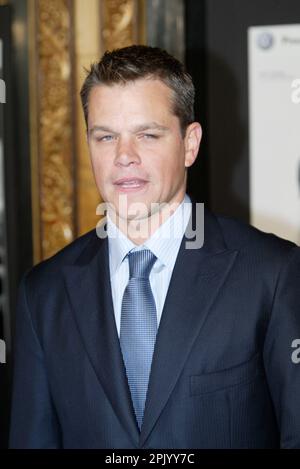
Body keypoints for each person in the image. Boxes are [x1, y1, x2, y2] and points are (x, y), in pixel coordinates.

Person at [9, 45, 300, 449]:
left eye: (147, 135)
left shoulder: (272, 274)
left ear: (189, 144)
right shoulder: (43, 293)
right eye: (106, 136)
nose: (124, 157)